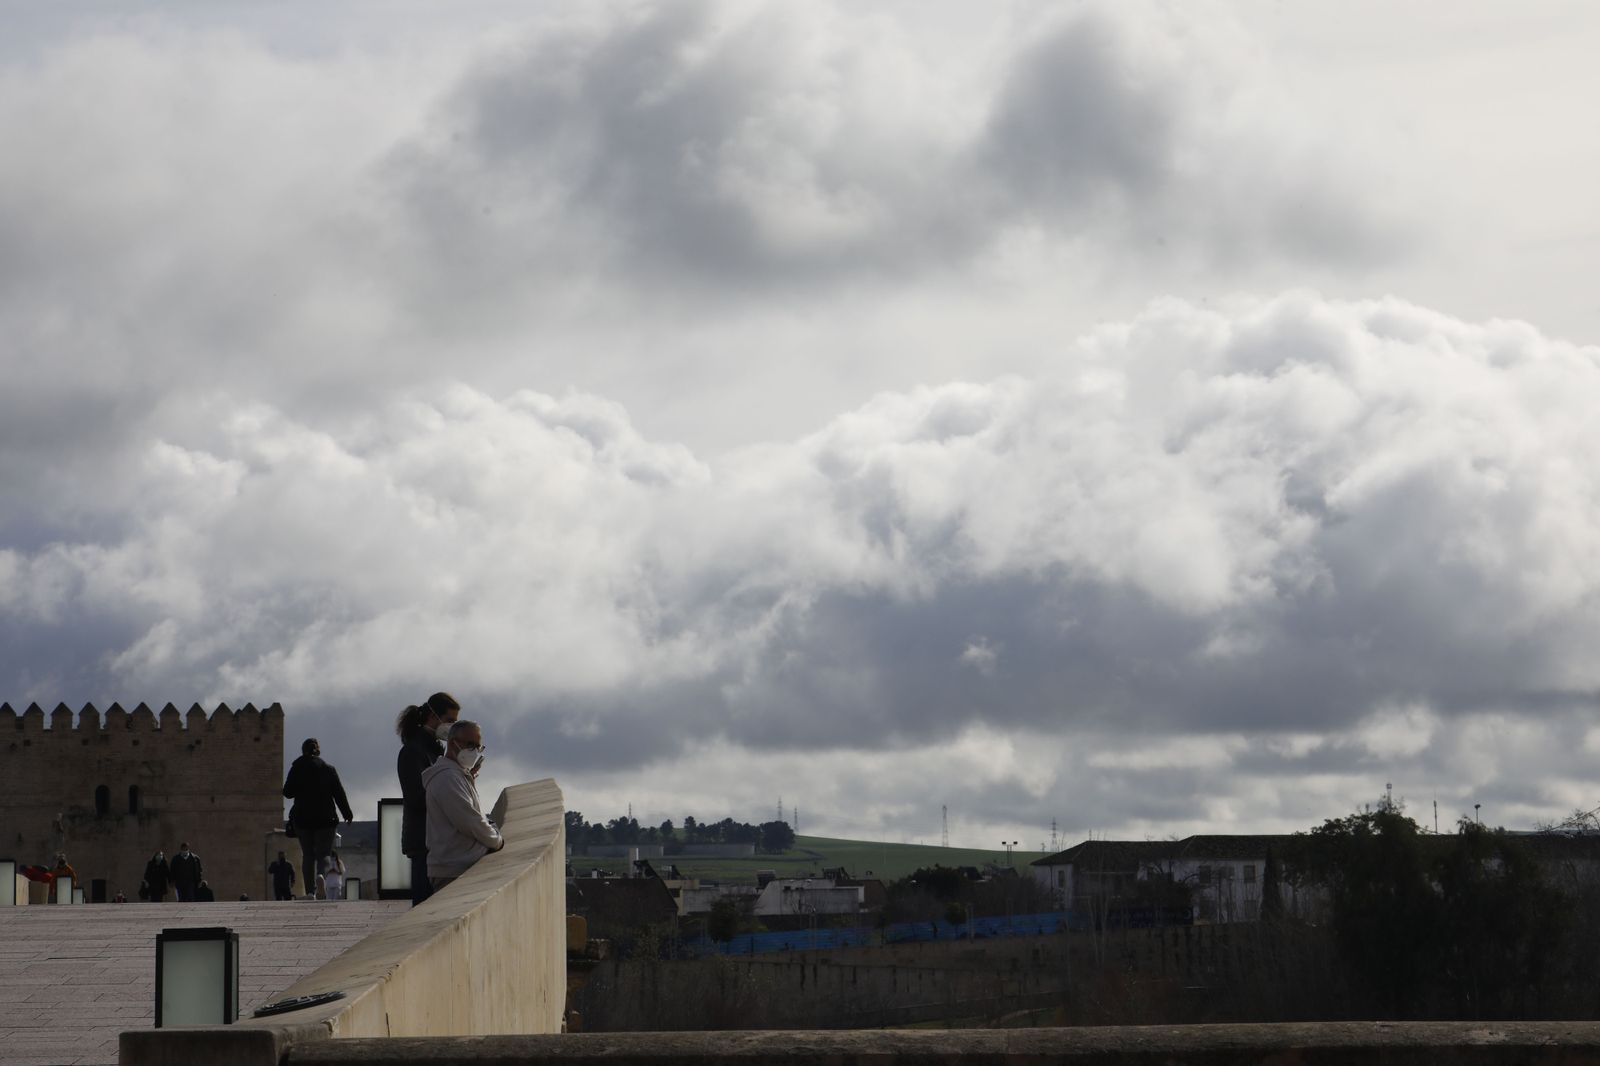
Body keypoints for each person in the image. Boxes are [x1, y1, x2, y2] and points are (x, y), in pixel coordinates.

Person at [423, 720, 504, 893]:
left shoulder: (458, 776)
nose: (474, 751)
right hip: (453, 870)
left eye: (478, 746)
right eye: (470, 745)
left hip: (458, 868)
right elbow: (470, 821)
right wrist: (497, 841)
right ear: (453, 743)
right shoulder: (447, 778)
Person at [396, 692, 460, 905]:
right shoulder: (413, 751)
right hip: (423, 840)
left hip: (435, 839)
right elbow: (416, 798)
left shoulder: (434, 750)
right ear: (433, 717)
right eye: (450, 721)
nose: (452, 727)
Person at [282, 737, 354, 898]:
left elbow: (287, 792)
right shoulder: (328, 769)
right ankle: (321, 876)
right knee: (324, 854)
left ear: (303, 751)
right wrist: (347, 813)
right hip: (326, 819)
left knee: (308, 855)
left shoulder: (297, 768)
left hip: (303, 818)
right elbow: (339, 794)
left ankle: (309, 891)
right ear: (318, 750)